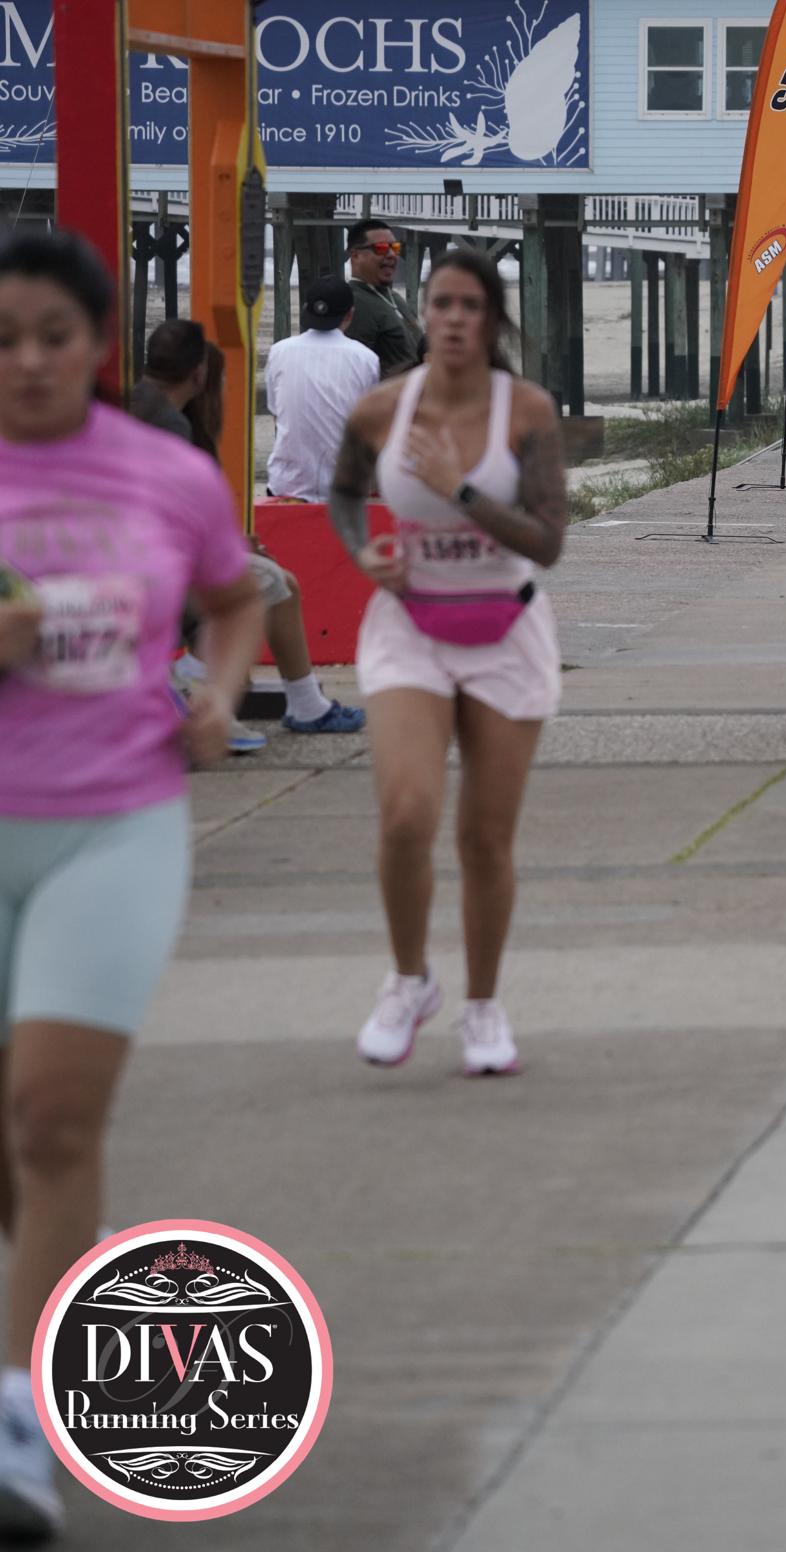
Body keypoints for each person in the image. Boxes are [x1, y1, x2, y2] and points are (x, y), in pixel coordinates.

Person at [0, 230, 264, 1537]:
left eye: (53, 336)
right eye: (3, 340)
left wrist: (219, 694)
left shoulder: (167, 472)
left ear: (99, 344)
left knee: (52, 1118)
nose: (28, 361)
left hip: (115, 823)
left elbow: (236, 597)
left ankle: (20, 1428)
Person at [329, 247, 567, 1078]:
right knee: (406, 815)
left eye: (471, 306)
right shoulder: (382, 409)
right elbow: (344, 494)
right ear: (423, 314)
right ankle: (409, 980)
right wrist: (361, 552)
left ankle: (483, 1006)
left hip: (505, 627)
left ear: (492, 320)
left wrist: (461, 489)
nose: (455, 319)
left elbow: (549, 541)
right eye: (442, 304)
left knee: (483, 839)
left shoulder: (524, 409)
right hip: (410, 627)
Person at [145, 331, 365, 743]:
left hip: (159, 559)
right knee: (266, 584)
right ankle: (201, 689)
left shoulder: (147, 410)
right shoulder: (170, 427)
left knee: (281, 582)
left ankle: (303, 703)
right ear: (199, 373)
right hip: (163, 569)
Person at [265, 274, 380, 500]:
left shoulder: (278, 351)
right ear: (350, 314)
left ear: (306, 310)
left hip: (286, 485)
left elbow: (277, 414)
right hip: (344, 489)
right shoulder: (366, 359)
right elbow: (367, 426)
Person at [346, 218, 423, 377]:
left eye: (395, 248)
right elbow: (356, 370)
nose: (391, 254)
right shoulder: (355, 303)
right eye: (380, 248)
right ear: (355, 256)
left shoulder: (393, 297)